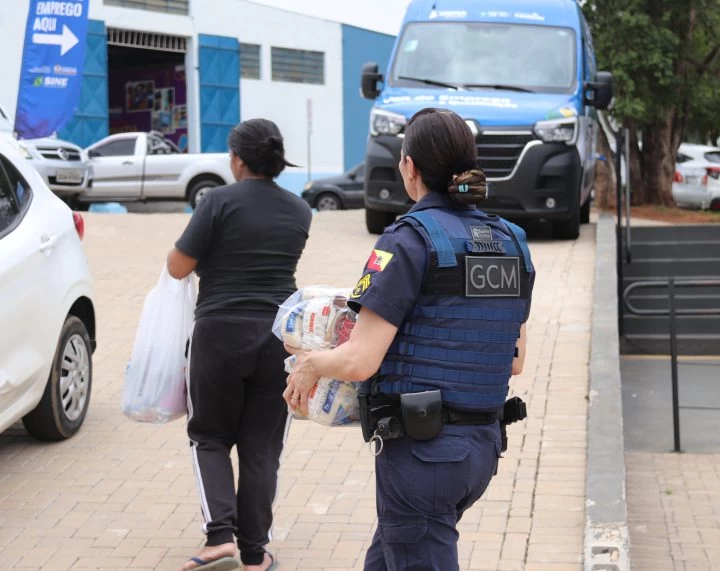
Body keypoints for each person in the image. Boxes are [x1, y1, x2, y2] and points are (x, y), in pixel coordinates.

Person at [283, 107, 535, 570]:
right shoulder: (512, 242)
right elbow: (515, 360)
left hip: (424, 458)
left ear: (410, 167)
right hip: (480, 449)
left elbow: (361, 361)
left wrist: (311, 363)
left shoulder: (406, 240)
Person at [167, 118, 312, 571]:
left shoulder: (217, 202)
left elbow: (177, 266)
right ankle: (254, 553)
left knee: (209, 434)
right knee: (261, 445)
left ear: (238, 160)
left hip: (219, 333)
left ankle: (218, 538)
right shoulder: (299, 210)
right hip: (278, 339)